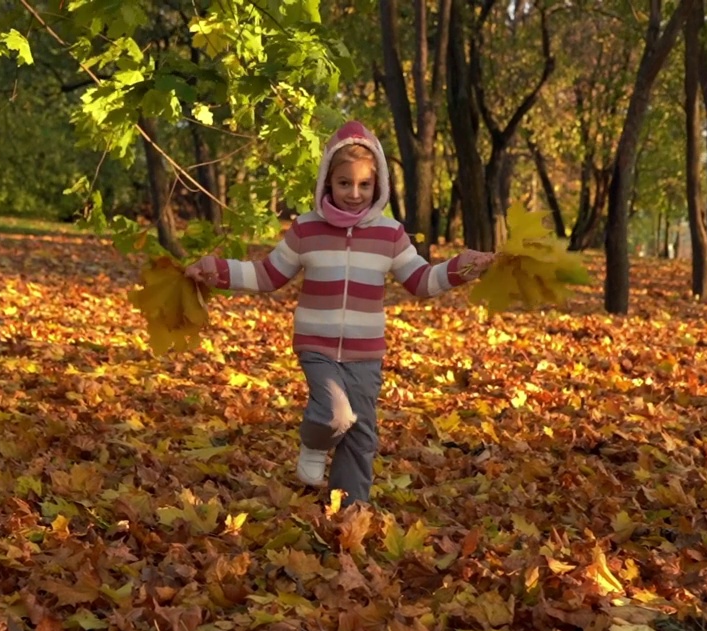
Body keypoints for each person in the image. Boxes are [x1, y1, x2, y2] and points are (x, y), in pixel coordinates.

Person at [186, 120, 496, 506]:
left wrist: (461, 267)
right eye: (344, 183)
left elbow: (419, 280)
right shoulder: (306, 229)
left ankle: (349, 510)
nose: (354, 193)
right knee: (335, 415)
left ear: (378, 184)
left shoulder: (389, 234)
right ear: (327, 182)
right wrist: (218, 270)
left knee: (361, 435)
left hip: (366, 354)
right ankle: (313, 447)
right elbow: (267, 275)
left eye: (364, 185)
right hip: (316, 346)